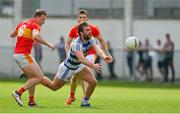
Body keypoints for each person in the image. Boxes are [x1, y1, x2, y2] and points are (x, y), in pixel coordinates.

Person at [41, 22, 113, 107]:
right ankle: (38, 77)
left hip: (78, 66)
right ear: (81, 33)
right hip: (68, 68)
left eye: (89, 29)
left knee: (93, 82)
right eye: (87, 30)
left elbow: (97, 49)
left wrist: (104, 57)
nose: (90, 31)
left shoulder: (91, 39)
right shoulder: (76, 44)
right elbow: (81, 59)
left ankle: (85, 102)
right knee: (53, 87)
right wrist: (93, 65)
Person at [65, 9, 112, 105]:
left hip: (90, 54)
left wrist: (107, 54)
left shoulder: (92, 29)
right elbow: (67, 43)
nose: (82, 19)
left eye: (84, 17)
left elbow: (101, 40)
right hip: (79, 55)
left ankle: (85, 99)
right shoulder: (74, 29)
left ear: (87, 18)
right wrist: (68, 55)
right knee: (74, 77)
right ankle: (72, 96)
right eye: (80, 17)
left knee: (86, 73)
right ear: (77, 19)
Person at [10, 9, 55, 107]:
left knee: (32, 77)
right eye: (43, 19)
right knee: (39, 77)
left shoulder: (23, 23)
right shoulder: (35, 25)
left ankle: (31, 102)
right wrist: (48, 44)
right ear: (37, 17)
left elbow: (12, 34)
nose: (44, 21)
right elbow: (36, 36)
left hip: (18, 54)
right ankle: (18, 93)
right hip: (23, 55)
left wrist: (25, 36)